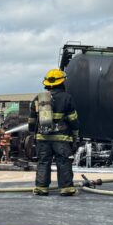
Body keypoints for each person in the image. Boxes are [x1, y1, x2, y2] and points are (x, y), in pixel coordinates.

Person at [29, 68, 79, 196]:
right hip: (61, 139)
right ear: (62, 82)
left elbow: (32, 121)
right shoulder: (67, 98)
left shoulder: (38, 98)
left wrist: (33, 135)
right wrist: (75, 135)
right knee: (63, 162)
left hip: (42, 138)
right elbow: (72, 120)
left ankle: (41, 188)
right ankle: (66, 189)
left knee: (43, 162)